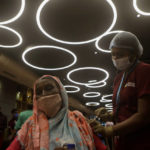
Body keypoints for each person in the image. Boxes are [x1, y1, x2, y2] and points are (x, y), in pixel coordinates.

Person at [7, 75, 104, 150]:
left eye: (49, 88)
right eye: (39, 92)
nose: (44, 94)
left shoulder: (79, 121)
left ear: (61, 92)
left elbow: (102, 148)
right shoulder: (30, 125)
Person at [90, 31, 150, 150]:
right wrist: (109, 116)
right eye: (113, 54)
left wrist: (111, 130)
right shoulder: (119, 77)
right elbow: (125, 109)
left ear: (134, 54)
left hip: (141, 141)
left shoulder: (144, 71)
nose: (115, 58)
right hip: (123, 140)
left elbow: (143, 116)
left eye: (120, 54)